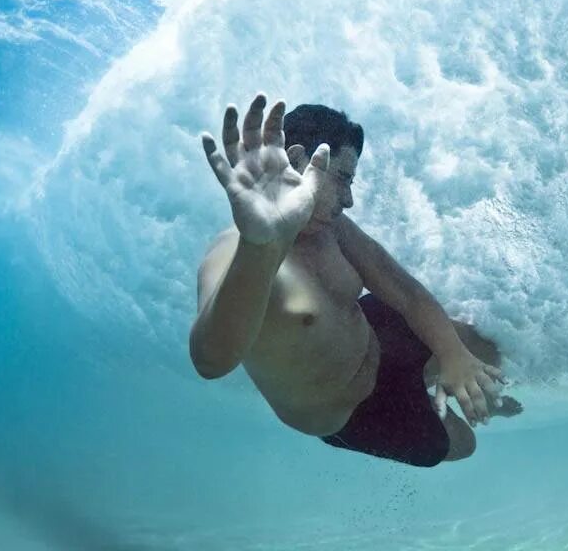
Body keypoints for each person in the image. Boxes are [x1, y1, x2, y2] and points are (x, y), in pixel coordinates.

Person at [190, 94, 522, 467]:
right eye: (343, 179)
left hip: (373, 340)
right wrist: (260, 246)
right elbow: (210, 361)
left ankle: (452, 380)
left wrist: (453, 355)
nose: (348, 199)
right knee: (464, 444)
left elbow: (405, 292)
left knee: (483, 347)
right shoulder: (235, 254)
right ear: (298, 161)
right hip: (351, 415)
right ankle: (430, 393)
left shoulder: (329, 226)